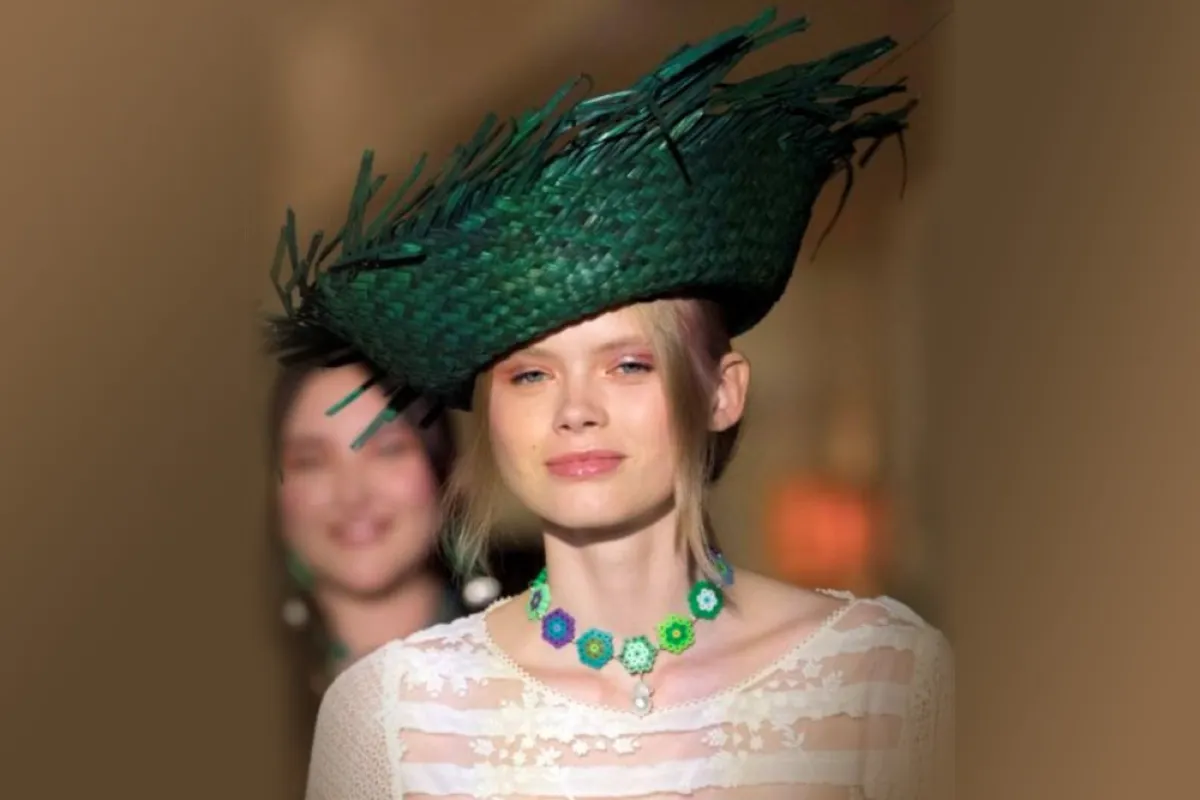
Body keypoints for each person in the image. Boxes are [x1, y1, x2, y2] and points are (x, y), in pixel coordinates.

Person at [267, 8, 953, 799]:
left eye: (627, 365)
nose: (575, 409)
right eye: (531, 376)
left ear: (722, 392)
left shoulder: (881, 677)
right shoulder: (389, 712)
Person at [267, 361, 497, 728]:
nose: (352, 495)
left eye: (388, 450)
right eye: (310, 461)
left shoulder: (531, 679)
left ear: (448, 469)